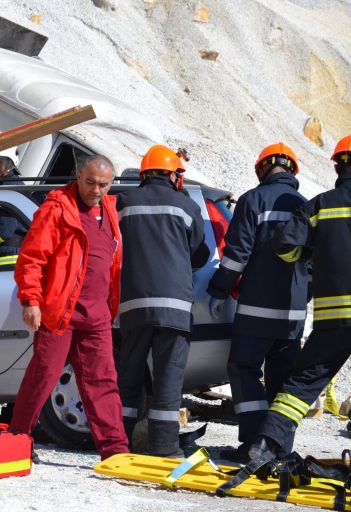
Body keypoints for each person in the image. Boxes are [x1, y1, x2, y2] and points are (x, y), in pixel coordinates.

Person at [249, 132, 351, 461]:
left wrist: (311, 256)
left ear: (337, 168)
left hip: (334, 317)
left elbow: (284, 245)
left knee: (301, 385)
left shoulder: (320, 205)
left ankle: (265, 445)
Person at [9, 155, 129, 461]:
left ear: (110, 183)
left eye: (103, 184)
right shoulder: (57, 208)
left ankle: (115, 451)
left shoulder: (110, 211)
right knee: (43, 377)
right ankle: (17, 440)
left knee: (103, 381)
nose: (96, 190)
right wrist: (32, 300)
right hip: (59, 312)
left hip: (97, 315)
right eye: (90, 182)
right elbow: (32, 258)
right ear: (77, 176)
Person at [206, 142, 308, 463]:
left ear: (261, 169)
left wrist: (218, 290)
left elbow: (237, 256)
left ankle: (253, 442)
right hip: (292, 314)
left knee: (244, 367)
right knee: (284, 381)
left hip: (256, 311)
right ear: (293, 170)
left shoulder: (253, 200)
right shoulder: (306, 205)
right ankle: (278, 448)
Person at [115, 145, 209, 458]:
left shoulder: (124, 202)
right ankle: (164, 446)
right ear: (171, 175)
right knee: (168, 381)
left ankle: (118, 443)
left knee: (128, 380)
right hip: (175, 309)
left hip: (133, 306)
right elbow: (200, 254)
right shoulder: (184, 205)